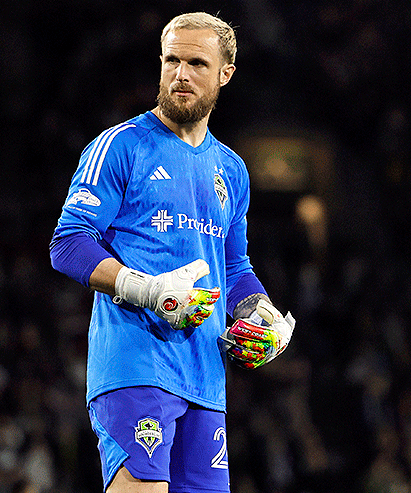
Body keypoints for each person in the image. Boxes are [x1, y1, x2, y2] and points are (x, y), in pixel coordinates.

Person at [50, 12, 294, 492]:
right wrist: (145, 288)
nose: (181, 75)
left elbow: (234, 267)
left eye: (197, 64)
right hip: (135, 364)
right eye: (171, 61)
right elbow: (68, 242)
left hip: (205, 377)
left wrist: (261, 312)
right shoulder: (121, 146)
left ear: (225, 74)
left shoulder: (232, 170)